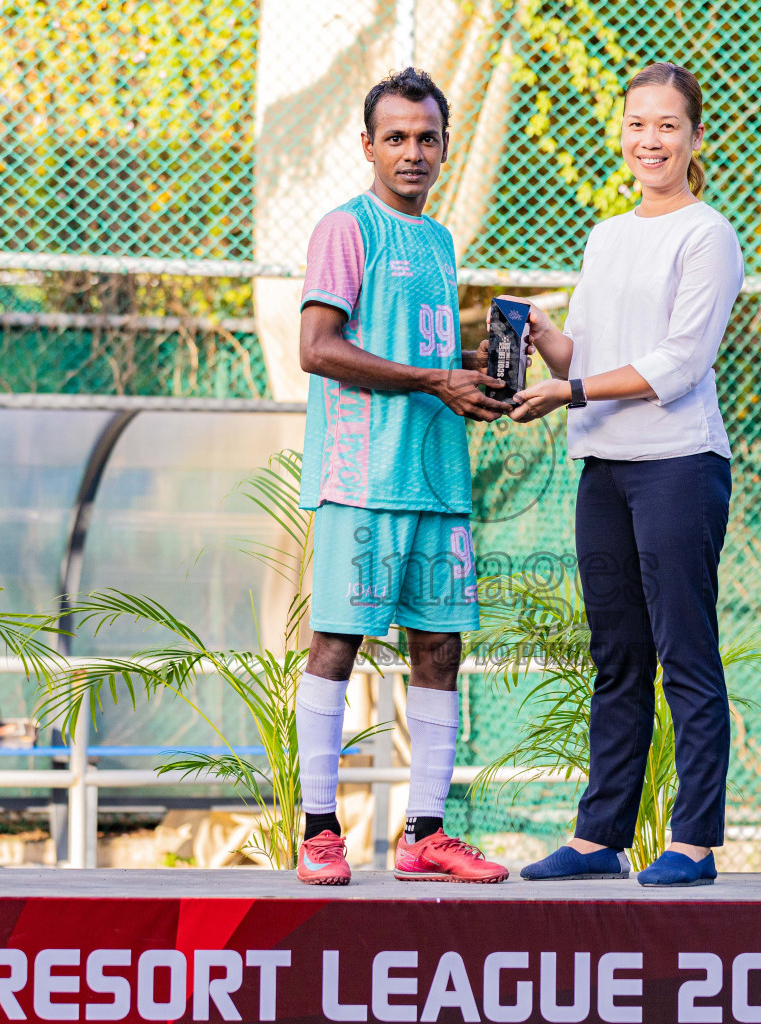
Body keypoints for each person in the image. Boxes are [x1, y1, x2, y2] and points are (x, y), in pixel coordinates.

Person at [507, 62, 744, 886]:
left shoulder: (707, 234)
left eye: (667, 126)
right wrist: (546, 339)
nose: (650, 139)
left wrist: (569, 387)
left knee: (685, 653)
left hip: (679, 465)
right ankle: (599, 837)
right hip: (604, 466)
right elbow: (595, 356)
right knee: (617, 656)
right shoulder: (606, 234)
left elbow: (679, 362)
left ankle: (694, 843)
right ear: (623, 132)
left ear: (694, 138)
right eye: (638, 123)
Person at [293, 68, 513, 885]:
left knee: (440, 651)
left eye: (426, 138)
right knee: (337, 647)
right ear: (368, 146)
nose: (412, 152)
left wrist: (474, 375)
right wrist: (433, 380)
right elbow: (317, 349)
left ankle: (425, 834)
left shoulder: (439, 241)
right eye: (396, 138)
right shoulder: (345, 230)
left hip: (436, 480)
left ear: (445, 145)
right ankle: (319, 830)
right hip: (362, 477)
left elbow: (418, 356)